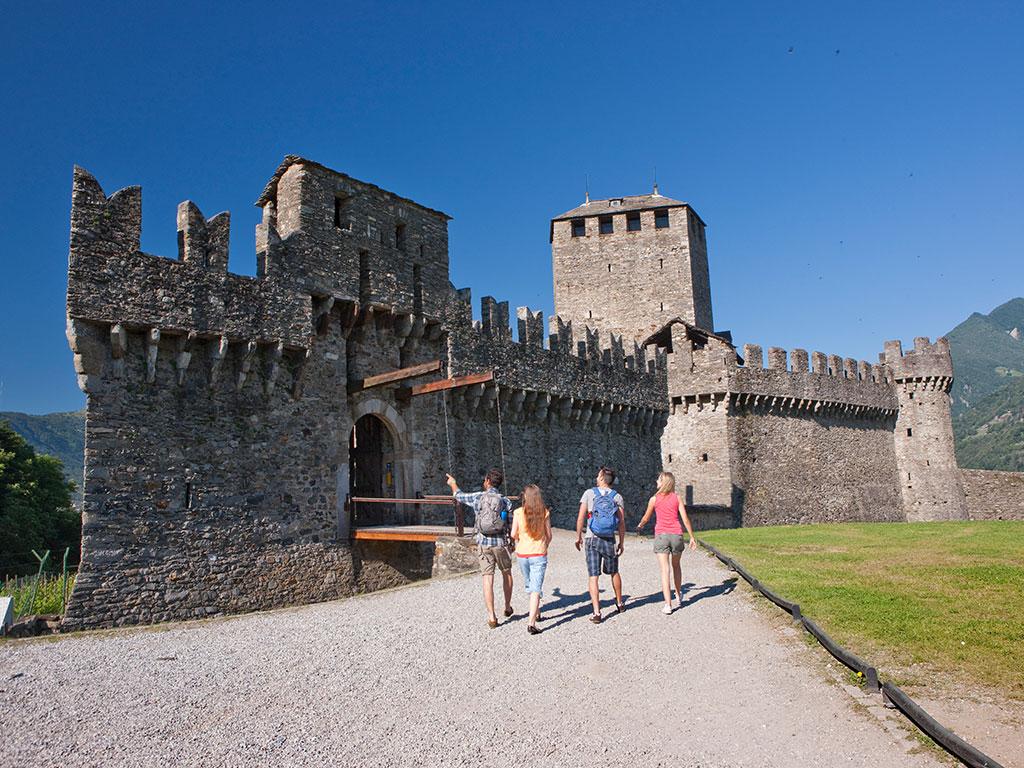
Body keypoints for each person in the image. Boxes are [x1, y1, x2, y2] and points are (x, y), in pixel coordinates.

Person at [446, 468, 514, 628]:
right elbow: (510, 524)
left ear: (488, 481)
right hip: (501, 543)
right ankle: (507, 606)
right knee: (507, 573)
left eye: (485, 480)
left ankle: (491, 616)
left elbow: (459, 496)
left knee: (487, 577)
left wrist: (453, 484)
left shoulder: (478, 497)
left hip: (483, 543)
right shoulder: (506, 501)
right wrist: (512, 543)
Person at [636, 471, 697, 614]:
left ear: (663, 483)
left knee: (665, 570)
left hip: (662, 535)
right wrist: (692, 537)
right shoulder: (677, 498)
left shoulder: (654, 499)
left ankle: (668, 605)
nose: (656, 482)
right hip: (677, 535)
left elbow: (646, 517)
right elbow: (685, 519)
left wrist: (640, 525)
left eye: (658, 480)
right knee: (676, 566)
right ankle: (678, 594)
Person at [575, 466, 626, 624]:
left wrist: (578, 536)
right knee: (614, 572)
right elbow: (622, 522)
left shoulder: (589, 494)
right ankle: (619, 603)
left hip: (592, 538)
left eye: (598, 475)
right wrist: (621, 542)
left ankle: (597, 612)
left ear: (602, 478)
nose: (596, 477)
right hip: (609, 539)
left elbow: (581, 517)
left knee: (593, 576)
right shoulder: (617, 497)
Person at [510, 484, 552, 635]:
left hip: (522, 554)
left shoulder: (518, 512)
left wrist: (520, 541)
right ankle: (531, 623)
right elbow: (549, 536)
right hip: (538, 554)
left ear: (525, 497)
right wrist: (544, 545)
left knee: (530, 585)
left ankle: (537, 612)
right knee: (536, 588)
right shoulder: (545, 513)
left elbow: (513, 534)